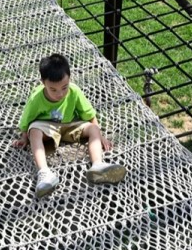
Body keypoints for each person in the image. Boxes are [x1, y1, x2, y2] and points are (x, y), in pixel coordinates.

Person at [13, 53, 127, 198]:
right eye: (53, 89)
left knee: (93, 128)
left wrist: (100, 136)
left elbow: (90, 115)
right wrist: (24, 138)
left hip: (71, 125)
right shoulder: (36, 97)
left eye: (64, 87)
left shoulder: (74, 91)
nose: (60, 94)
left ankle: (97, 165)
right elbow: (26, 121)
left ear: (70, 78)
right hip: (47, 127)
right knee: (34, 131)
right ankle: (44, 173)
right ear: (43, 83)